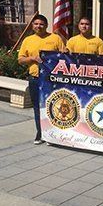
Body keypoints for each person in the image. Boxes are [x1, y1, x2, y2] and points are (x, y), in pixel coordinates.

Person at [18, 14, 65, 145]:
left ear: (47, 25)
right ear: (32, 25)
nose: (39, 26)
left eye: (41, 24)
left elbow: (64, 56)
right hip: (35, 79)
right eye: (36, 24)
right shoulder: (28, 40)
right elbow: (20, 59)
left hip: (52, 79)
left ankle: (53, 134)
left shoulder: (55, 38)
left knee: (54, 106)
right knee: (38, 107)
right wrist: (32, 59)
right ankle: (40, 133)